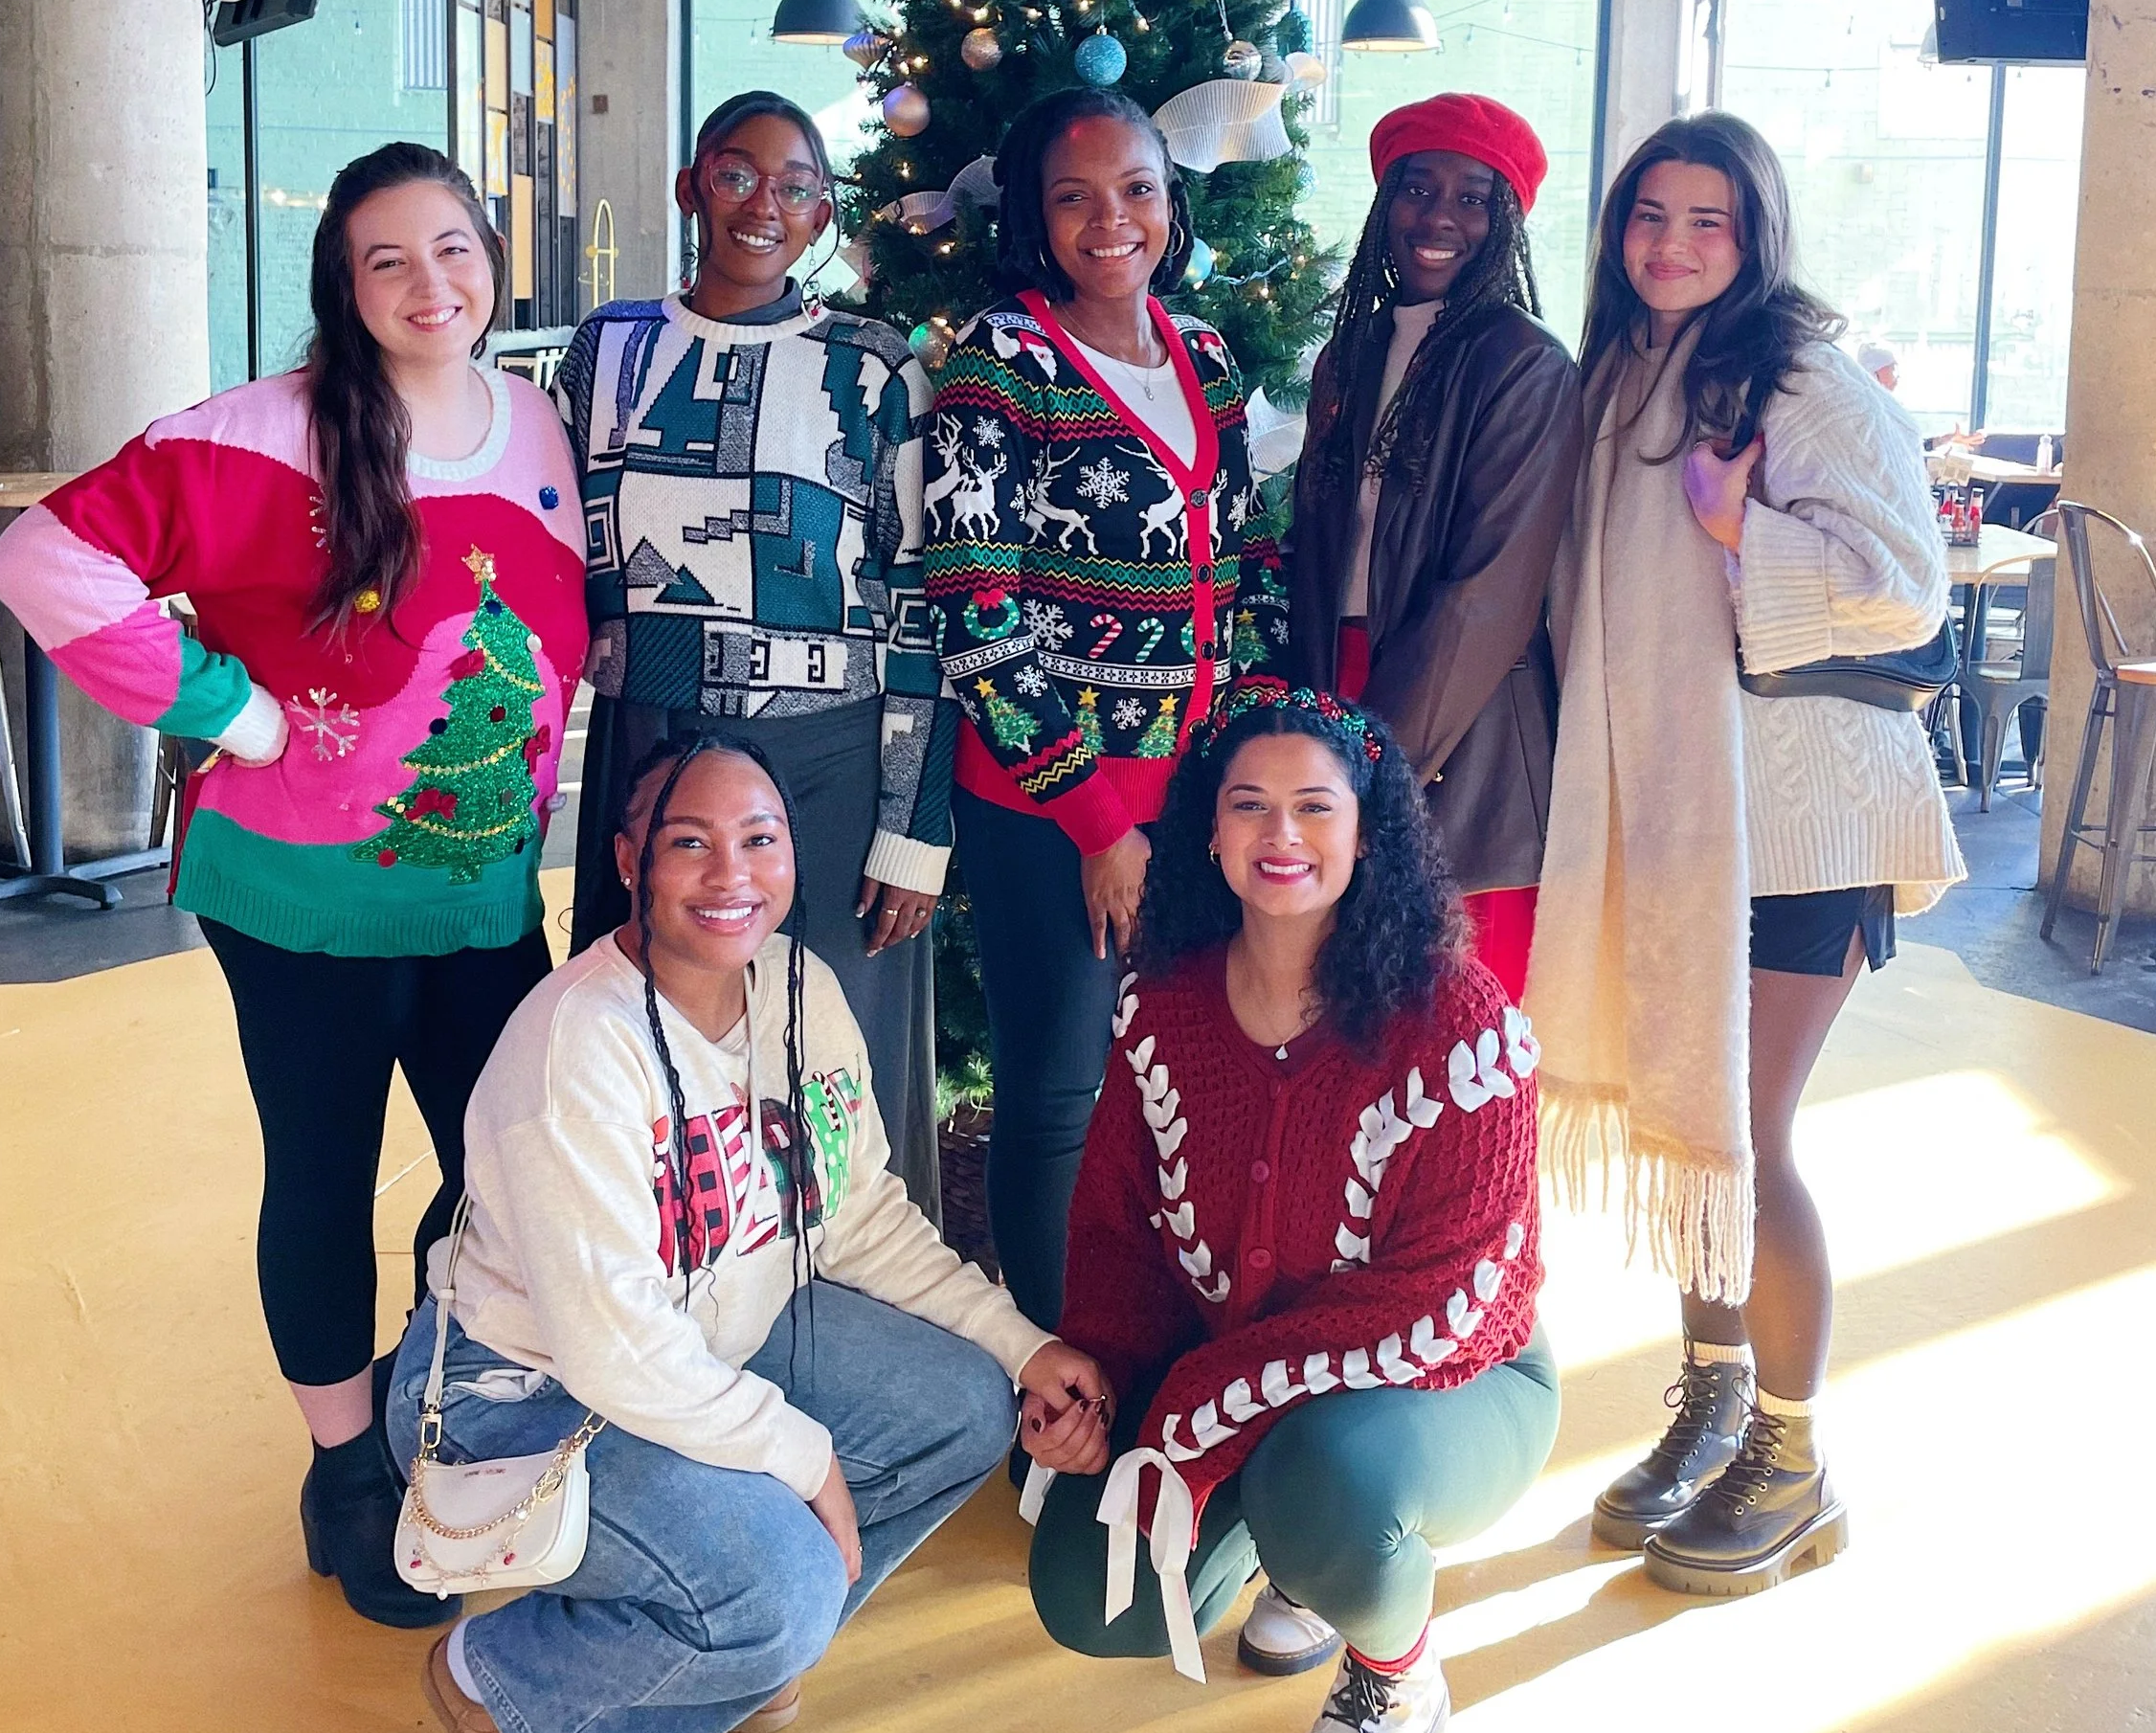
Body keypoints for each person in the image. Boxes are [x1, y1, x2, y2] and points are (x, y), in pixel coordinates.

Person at [0, 143, 585, 1626]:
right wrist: (224, 710)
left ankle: (432, 1397)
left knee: (502, 1177)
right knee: (320, 1176)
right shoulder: (262, 433)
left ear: (492, 256)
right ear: (344, 283)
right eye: (389, 260)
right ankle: (345, 1470)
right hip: (300, 901)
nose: (429, 285)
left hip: (486, 892)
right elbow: (43, 556)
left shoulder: (542, 421)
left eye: (452, 248)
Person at [385, 733, 1111, 1733]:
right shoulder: (575, 1047)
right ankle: (506, 1683)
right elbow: (612, 1346)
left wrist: (1022, 1346)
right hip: (526, 1390)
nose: (732, 875)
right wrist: (800, 1455)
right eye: (690, 842)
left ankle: (733, 1646)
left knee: (964, 1407)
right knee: (779, 1590)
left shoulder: (799, 989)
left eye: (758, 840)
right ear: (629, 860)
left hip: (707, 1347)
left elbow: (858, 1213)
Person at [1531, 112, 1962, 1596]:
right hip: (1676, 807)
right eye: (1650, 214)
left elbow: (1906, 589)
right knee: (1689, 1121)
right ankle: (1712, 1399)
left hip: (1801, 819)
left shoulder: (1802, 375)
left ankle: (1793, 1448)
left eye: (1707, 221)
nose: (1670, 244)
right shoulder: (1623, 372)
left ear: (1756, 235)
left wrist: (1742, 535)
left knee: (1747, 1132)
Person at [1023, 686, 1557, 1733]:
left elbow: (1440, 1308)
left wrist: (1204, 1412)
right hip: (1253, 1374)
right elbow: (1117, 1239)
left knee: (1330, 1481)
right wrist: (1100, 1383)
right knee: (1086, 1589)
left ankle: (1395, 1676)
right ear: (1205, 833)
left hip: (1457, 1381)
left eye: (1314, 808)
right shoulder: (1160, 1009)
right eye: (1248, 806)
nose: (1281, 837)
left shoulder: (1456, 1025)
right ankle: (1302, 1563)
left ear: (1365, 831)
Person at [921, 87, 1292, 1327]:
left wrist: (1233, 784)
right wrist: (1098, 824)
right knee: (1057, 1088)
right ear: (1035, 214)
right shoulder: (1002, 361)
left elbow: (1233, 572)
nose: (1109, 219)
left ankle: (1146, 1323)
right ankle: (1058, 1369)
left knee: (1171, 1076)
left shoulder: (1209, 359)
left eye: (1135, 187)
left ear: (1170, 201)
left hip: (1188, 805)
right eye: (1074, 196)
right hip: (1050, 809)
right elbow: (976, 612)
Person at [556, 90, 953, 1206]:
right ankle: (664, 1311)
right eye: (737, 176)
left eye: (796, 188)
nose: (763, 207)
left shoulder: (871, 368)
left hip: (827, 765)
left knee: (837, 1071)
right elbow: (566, 554)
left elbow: (920, 595)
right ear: (692, 186)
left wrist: (912, 831)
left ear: (822, 213)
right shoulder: (610, 350)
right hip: (656, 749)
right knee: (643, 1050)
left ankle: (860, 1325)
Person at [1285, 93, 1583, 998]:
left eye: (1473, 197)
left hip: (1463, 723)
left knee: (1455, 1027)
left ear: (1505, 222)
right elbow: (1314, 555)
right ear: (1385, 203)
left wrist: (1371, 767)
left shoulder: (1524, 363)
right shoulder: (1350, 356)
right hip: (1338, 689)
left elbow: (1486, 594)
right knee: (1343, 1008)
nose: (1439, 217)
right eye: (1418, 188)